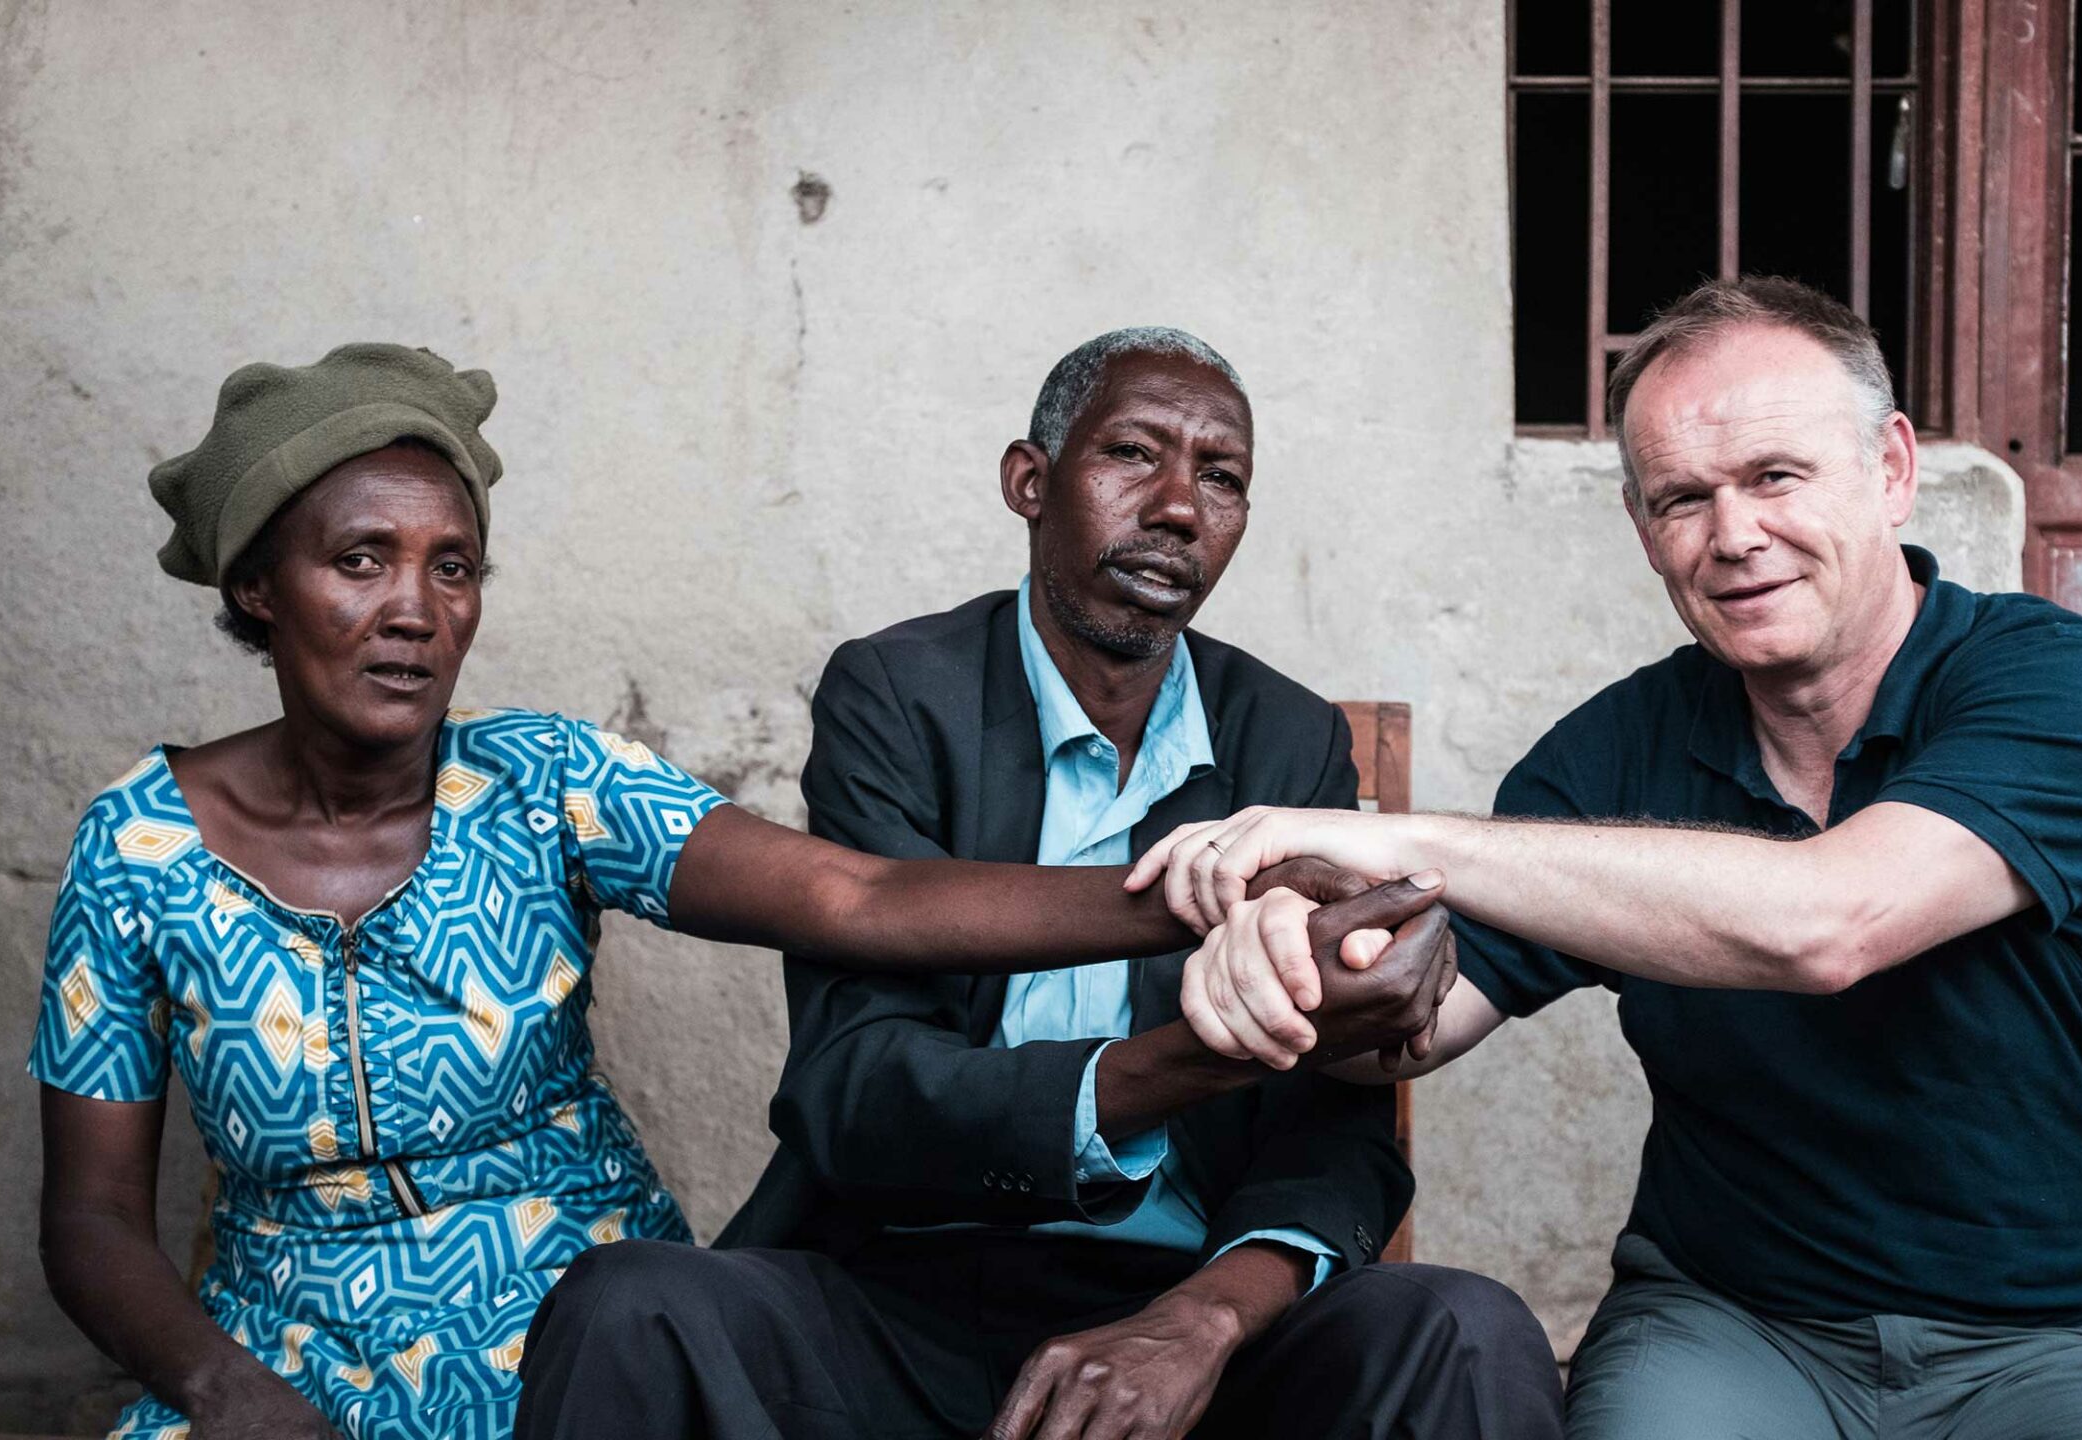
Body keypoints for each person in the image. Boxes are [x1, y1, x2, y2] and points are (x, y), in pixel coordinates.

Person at [30, 343, 1416, 1440]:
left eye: (453, 567)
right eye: (358, 562)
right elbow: (92, 1219)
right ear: (259, 590)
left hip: (553, 1316)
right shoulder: (136, 849)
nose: (415, 609)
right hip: (289, 1347)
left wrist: (1222, 882)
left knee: (626, 1326)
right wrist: (226, 1396)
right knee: (653, 1323)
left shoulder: (542, 780)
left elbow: (862, 900)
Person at [1127, 281, 2082, 1439]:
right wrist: (1287, 971)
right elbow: (1416, 1029)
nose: (1734, 536)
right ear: (1644, 531)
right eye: (1681, 499)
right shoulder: (1608, 753)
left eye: (1775, 477)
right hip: (1727, 1326)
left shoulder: (2056, 681)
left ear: (1891, 469)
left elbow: (1832, 923)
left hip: (2040, 1346)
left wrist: (1393, 833)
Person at [515, 328, 1562, 1440]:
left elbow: (1330, 1133)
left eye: (1221, 477)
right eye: (1132, 454)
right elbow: (856, 1089)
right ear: (1029, 481)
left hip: (1189, 1299)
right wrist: (1179, 1062)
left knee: (1463, 1329)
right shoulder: (899, 696)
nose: (1175, 507)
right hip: (902, 1299)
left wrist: (1200, 1322)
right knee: (634, 1306)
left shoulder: (1285, 739)